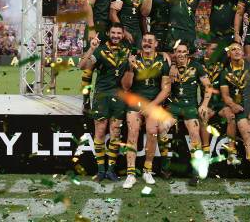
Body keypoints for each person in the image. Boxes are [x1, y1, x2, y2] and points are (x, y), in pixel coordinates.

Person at [79, 23, 130, 182]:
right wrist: (92, 48)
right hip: (102, 96)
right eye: (113, 32)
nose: (115, 36)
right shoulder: (100, 50)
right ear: (108, 33)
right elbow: (82, 66)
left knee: (115, 133)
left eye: (118, 33)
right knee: (100, 132)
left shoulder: (127, 52)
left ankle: (111, 170)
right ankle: (101, 170)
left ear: (122, 35)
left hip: (119, 97)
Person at [121, 33, 171, 189]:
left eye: (151, 41)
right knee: (133, 132)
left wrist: (152, 105)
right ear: (141, 43)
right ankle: (130, 174)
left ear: (156, 44)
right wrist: (129, 67)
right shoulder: (133, 59)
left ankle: (147, 170)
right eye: (144, 41)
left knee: (152, 131)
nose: (147, 43)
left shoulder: (162, 61)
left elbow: (166, 89)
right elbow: (126, 86)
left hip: (153, 103)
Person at [160, 42, 212, 185]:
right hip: (174, 106)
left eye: (184, 51)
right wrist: (171, 69)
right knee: (162, 128)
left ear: (188, 53)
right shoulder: (169, 66)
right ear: (174, 54)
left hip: (190, 106)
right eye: (178, 52)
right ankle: (165, 167)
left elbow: (208, 86)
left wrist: (204, 104)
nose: (181, 54)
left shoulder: (196, 66)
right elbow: (164, 88)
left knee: (194, 133)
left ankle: (196, 172)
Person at [219, 42, 250, 180]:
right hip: (239, 108)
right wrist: (233, 105)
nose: (236, 51)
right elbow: (225, 96)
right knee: (248, 136)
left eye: (239, 49)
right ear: (229, 54)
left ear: (243, 52)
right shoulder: (225, 72)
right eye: (233, 49)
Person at [198, 42, 240, 165]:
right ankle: (206, 153)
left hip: (222, 104)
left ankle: (232, 154)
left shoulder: (224, 62)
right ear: (206, 50)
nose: (215, 52)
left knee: (231, 116)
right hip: (207, 103)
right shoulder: (198, 64)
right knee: (203, 116)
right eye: (213, 49)